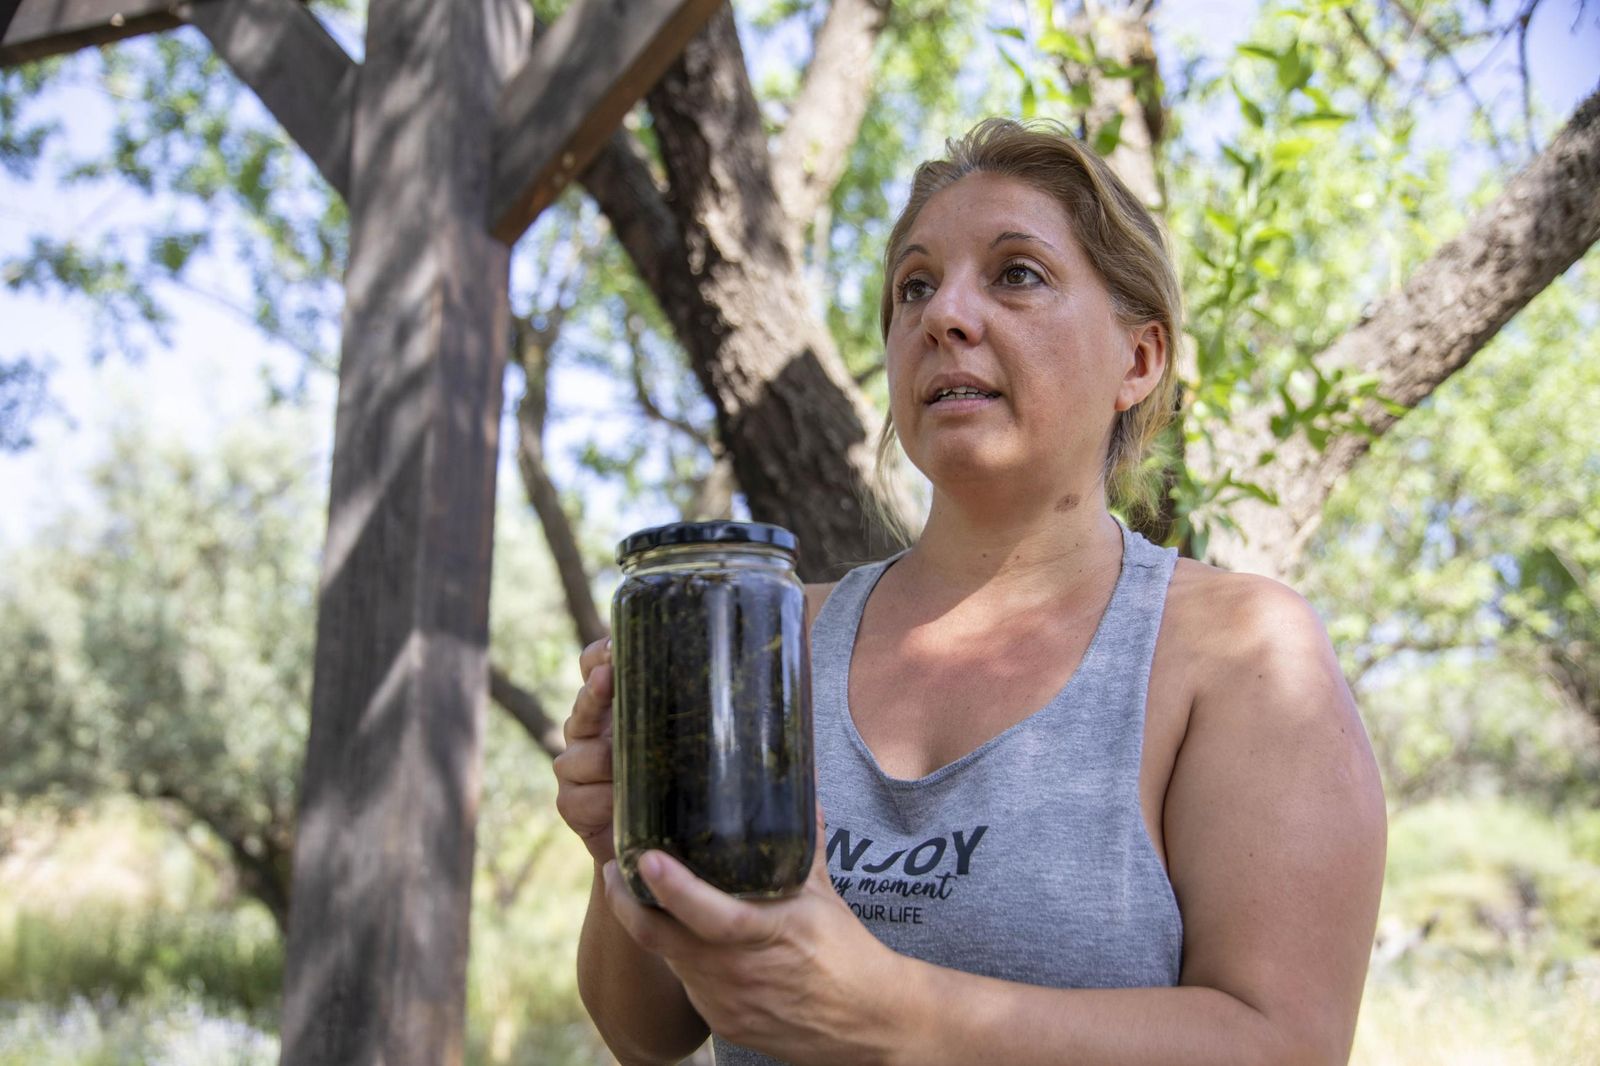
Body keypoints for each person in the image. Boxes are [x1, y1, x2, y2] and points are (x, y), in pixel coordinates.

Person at [553, 118, 1387, 1066]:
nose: (944, 314)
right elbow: (650, 1031)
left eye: (1016, 273)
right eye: (915, 286)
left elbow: (1287, 1047)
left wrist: (890, 1015)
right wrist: (620, 848)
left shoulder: (1236, 649)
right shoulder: (777, 634)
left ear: (1140, 359)